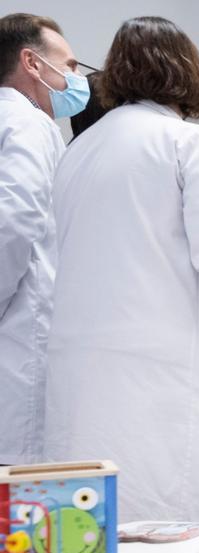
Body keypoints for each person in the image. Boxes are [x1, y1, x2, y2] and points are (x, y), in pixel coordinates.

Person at [47, 14, 199, 525]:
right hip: (166, 370)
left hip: (80, 374)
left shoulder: (78, 150)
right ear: (188, 69)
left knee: (93, 527)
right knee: (174, 529)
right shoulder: (191, 144)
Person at [0, 14, 81, 466]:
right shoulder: (27, 124)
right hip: (20, 338)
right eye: (68, 66)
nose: (76, 79)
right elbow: (14, 220)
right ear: (31, 62)